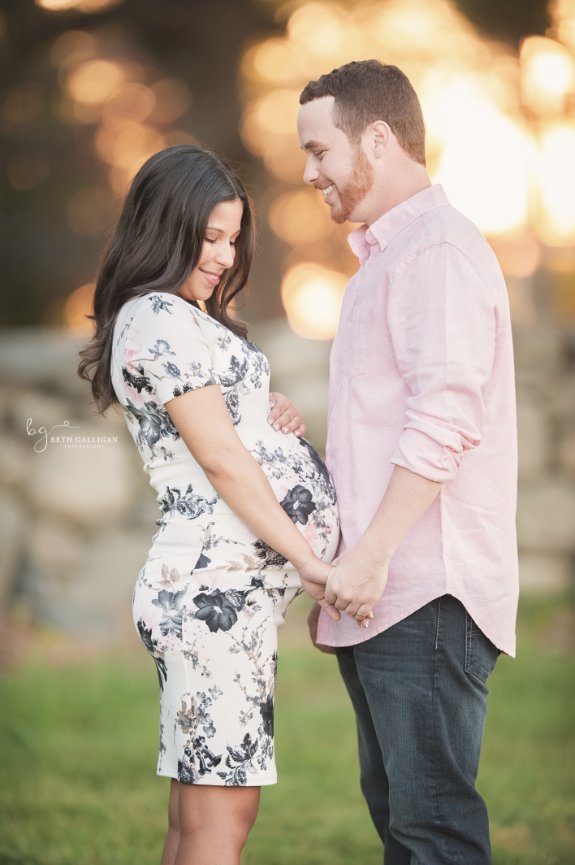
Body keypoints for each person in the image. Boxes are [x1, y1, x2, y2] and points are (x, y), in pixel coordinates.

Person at [78, 144, 341, 865]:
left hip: (222, 597)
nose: (224, 255)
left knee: (197, 817)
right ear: (166, 227)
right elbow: (220, 461)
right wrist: (310, 560)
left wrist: (266, 410)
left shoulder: (185, 316)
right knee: (221, 820)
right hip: (211, 594)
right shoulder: (159, 314)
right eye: (210, 237)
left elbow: (226, 432)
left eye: (233, 238)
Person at [297, 60, 519, 865]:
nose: (307, 172)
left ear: (378, 138)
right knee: (402, 822)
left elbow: (444, 418)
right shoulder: (380, 262)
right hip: (380, 594)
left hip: (425, 588)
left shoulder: (437, 252)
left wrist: (370, 556)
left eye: (319, 150)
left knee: (433, 833)